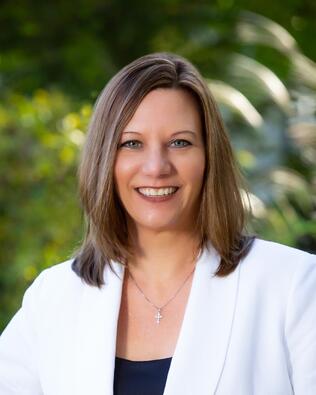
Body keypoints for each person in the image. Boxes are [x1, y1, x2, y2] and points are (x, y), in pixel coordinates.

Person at [0, 52, 315, 395]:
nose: (156, 167)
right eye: (132, 143)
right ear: (105, 158)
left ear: (210, 157)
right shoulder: (55, 297)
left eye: (180, 142)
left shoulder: (293, 286)